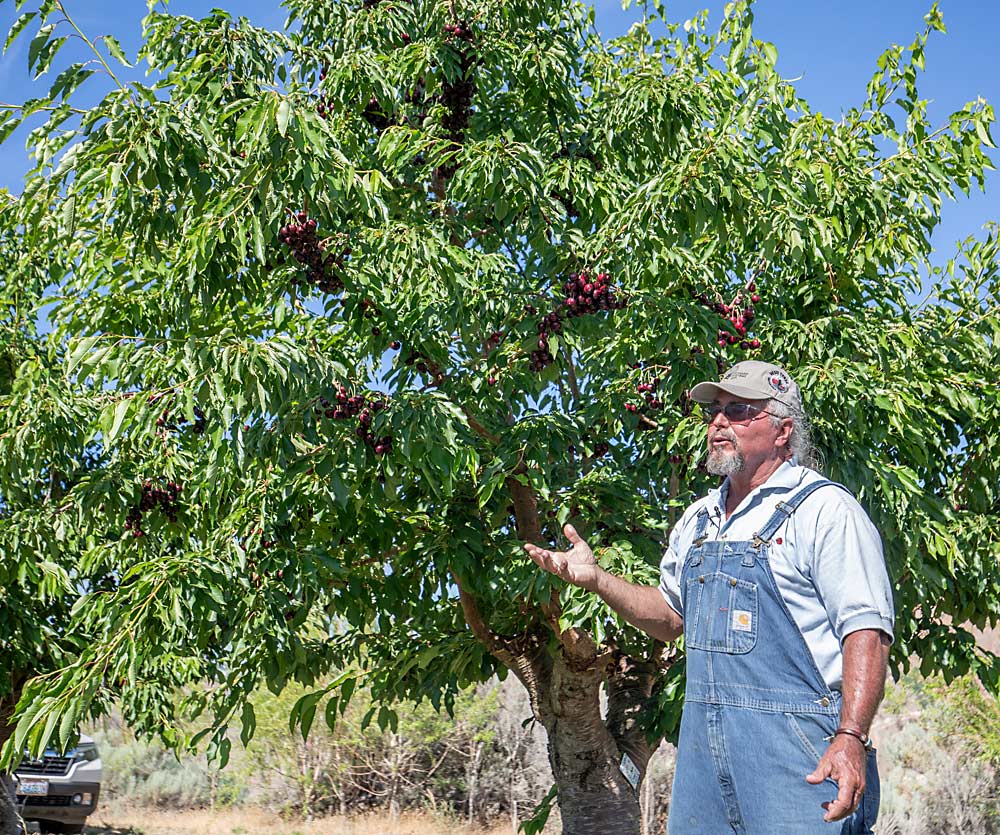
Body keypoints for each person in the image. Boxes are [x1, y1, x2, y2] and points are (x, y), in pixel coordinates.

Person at [524, 360, 894, 834]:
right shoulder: (699, 519)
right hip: (704, 761)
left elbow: (867, 630)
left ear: (783, 431)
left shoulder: (825, 510)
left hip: (801, 760)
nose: (719, 422)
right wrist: (598, 580)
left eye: (739, 410)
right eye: (714, 411)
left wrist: (850, 737)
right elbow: (672, 616)